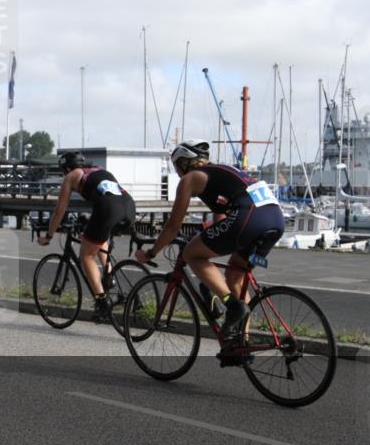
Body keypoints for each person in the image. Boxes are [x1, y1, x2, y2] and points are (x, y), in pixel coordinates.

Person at [135, 141, 285, 360]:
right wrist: (208, 235)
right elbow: (221, 217)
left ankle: (230, 305)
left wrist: (151, 253)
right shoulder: (222, 172)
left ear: (184, 164)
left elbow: (173, 225)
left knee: (191, 253)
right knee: (235, 274)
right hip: (274, 221)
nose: (177, 172)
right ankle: (240, 343)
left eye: (176, 166)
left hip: (249, 218)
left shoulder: (191, 178)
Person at [37, 152, 137, 321]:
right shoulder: (98, 169)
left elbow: (60, 209)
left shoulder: (72, 176)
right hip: (129, 206)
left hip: (109, 209)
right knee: (97, 238)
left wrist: (49, 235)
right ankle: (110, 279)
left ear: (67, 168)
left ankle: (101, 303)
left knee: (86, 256)